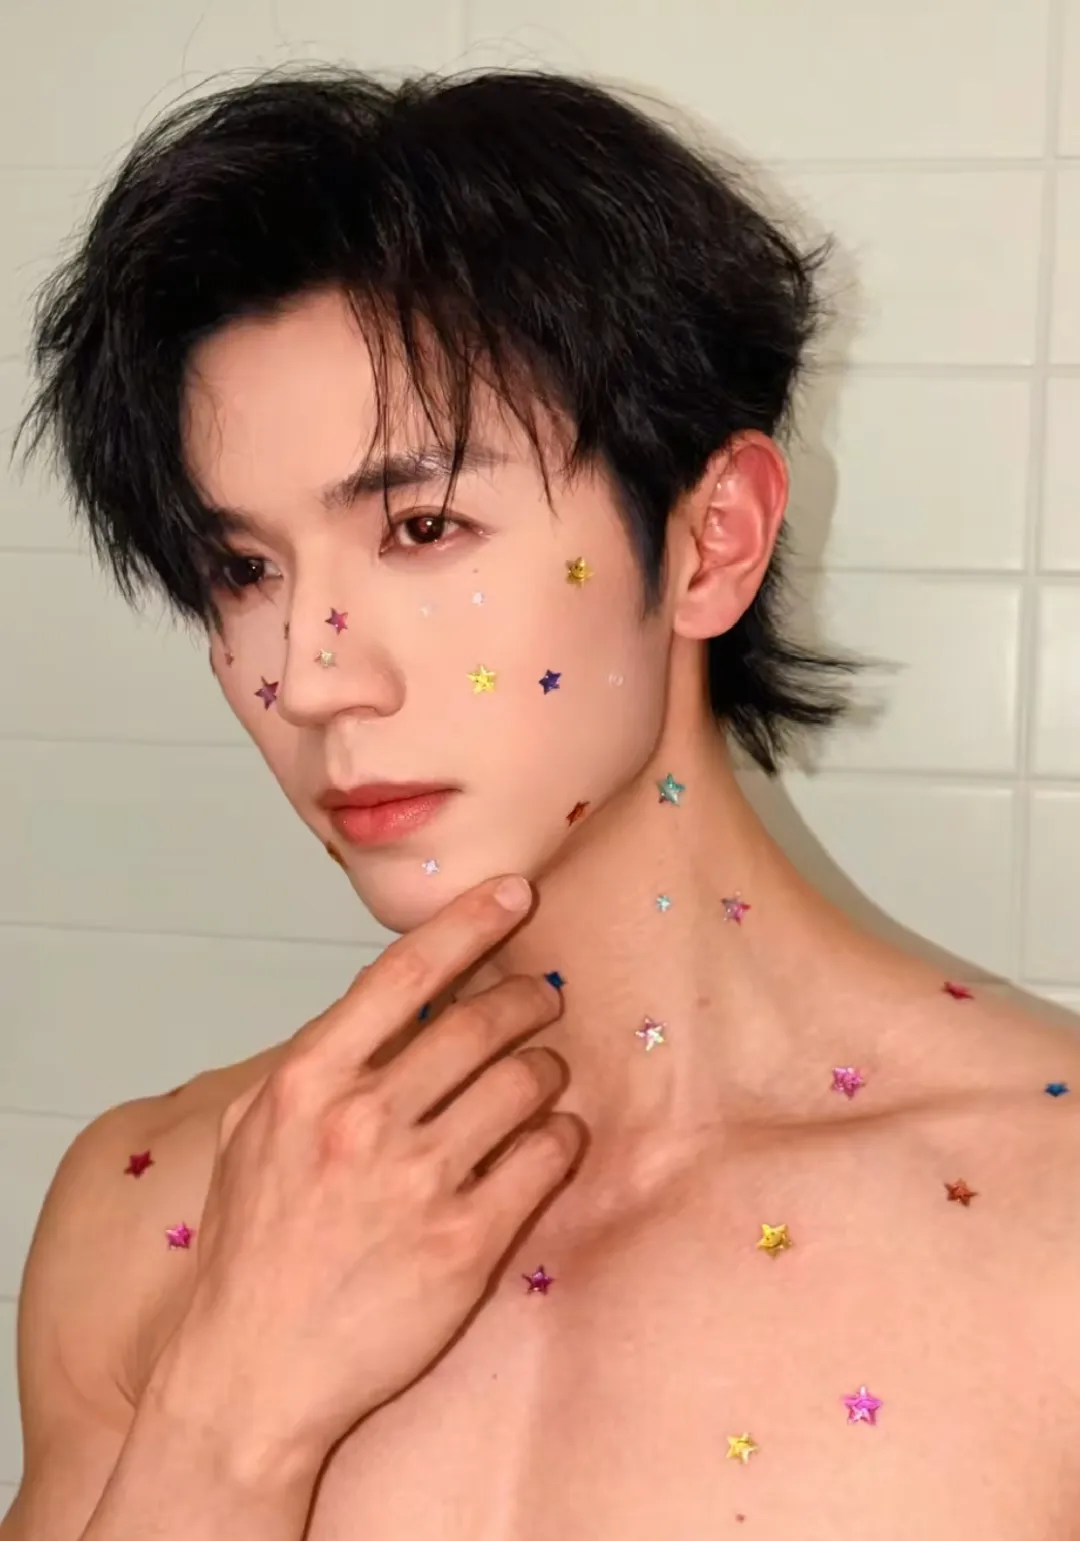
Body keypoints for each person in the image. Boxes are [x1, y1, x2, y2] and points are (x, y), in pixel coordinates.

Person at [5, 63, 1080, 1542]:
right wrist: (228, 1423)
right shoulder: (153, 1213)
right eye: (244, 569)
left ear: (712, 539)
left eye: (423, 526)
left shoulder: (1049, 1224)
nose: (310, 675)